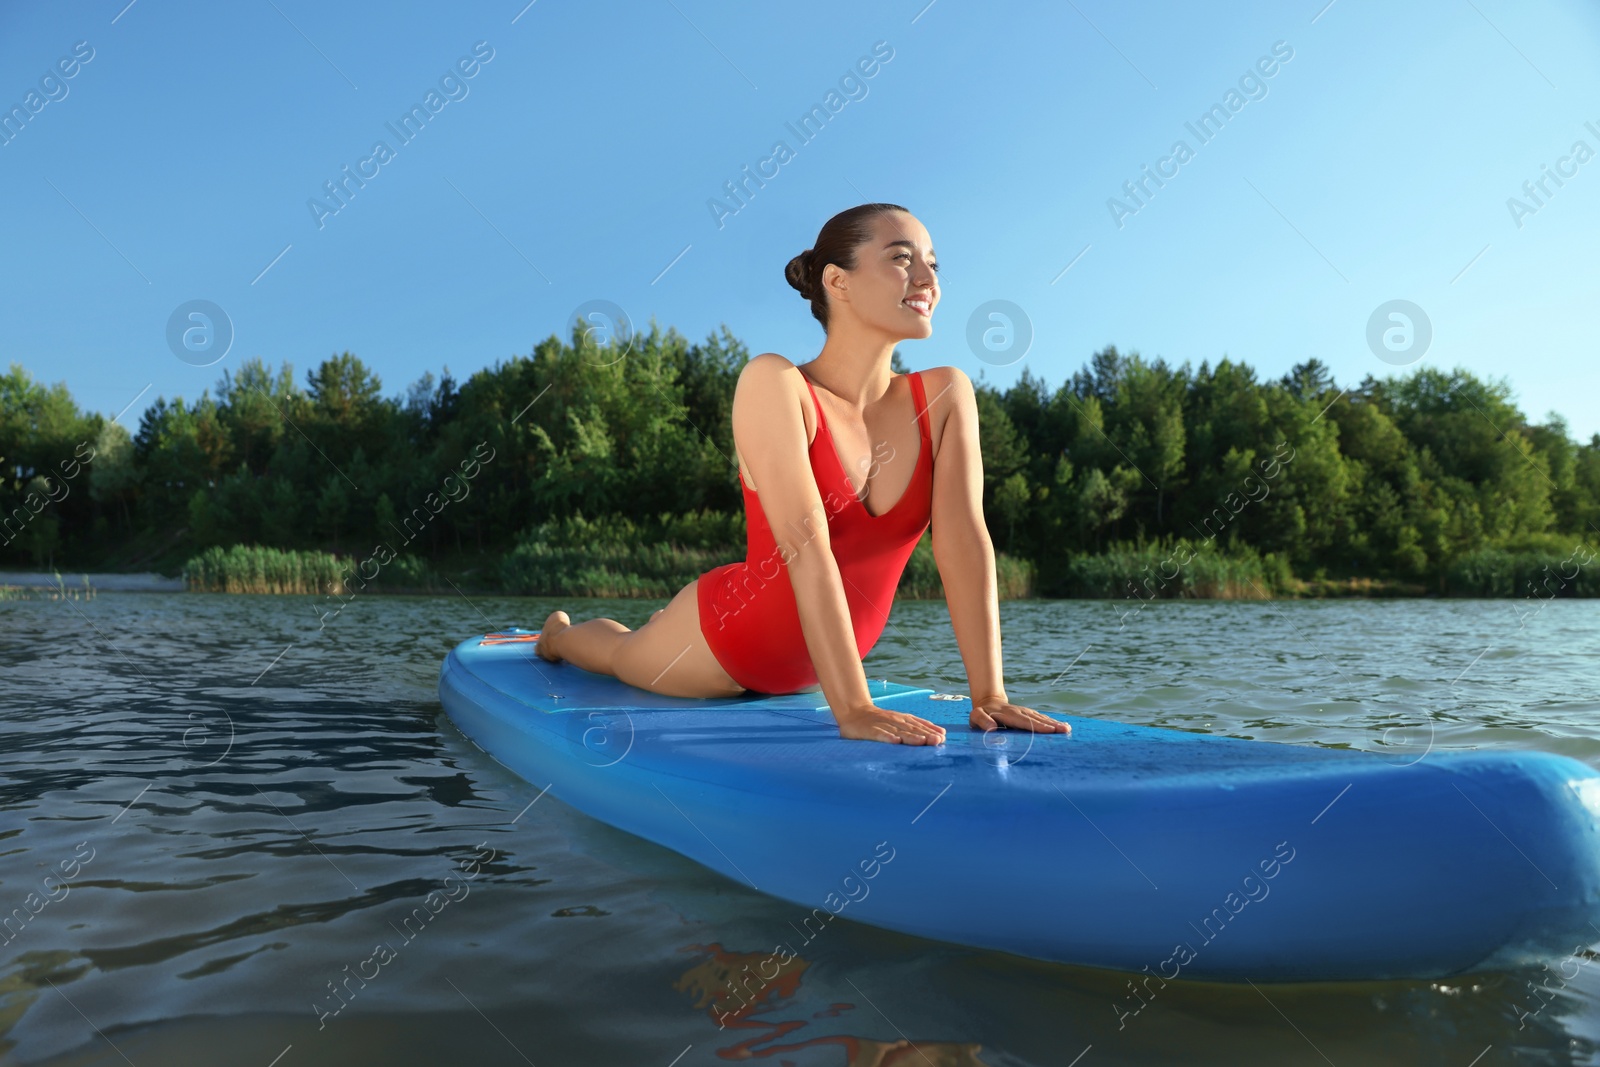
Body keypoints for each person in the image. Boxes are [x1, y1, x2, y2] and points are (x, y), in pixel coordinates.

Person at [535, 203, 1070, 745]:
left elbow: (964, 544)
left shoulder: (946, 396)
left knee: (641, 638)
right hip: (723, 646)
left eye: (933, 263)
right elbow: (806, 550)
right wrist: (854, 708)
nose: (928, 279)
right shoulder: (777, 384)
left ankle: (646, 622)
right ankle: (557, 637)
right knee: (622, 653)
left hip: (822, 667)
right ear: (838, 281)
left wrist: (990, 696)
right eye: (902, 260)